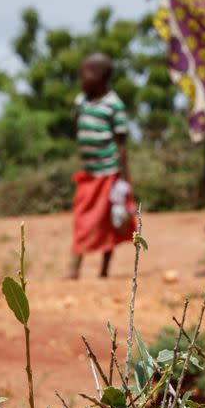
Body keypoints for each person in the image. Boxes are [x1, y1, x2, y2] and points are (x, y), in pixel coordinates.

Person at [68, 53, 136, 279]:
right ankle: (75, 269)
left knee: (108, 221)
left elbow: (122, 145)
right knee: (82, 218)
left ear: (100, 76)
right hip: (88, 173)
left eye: (84, 74)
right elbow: (76, 125)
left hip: (109, 173)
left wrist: (124, 180)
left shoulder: (114, 105)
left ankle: (104, 270)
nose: (81, 78)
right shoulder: (81, 101)